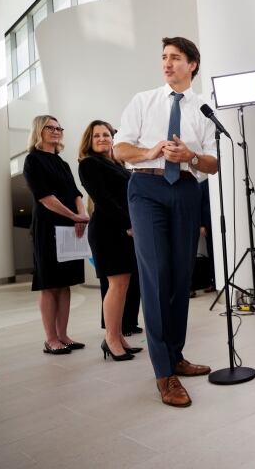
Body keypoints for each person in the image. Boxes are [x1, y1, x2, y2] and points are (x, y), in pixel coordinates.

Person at [113, 36, 216, 408]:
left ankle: (176, 354)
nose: (167, 64)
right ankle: (164, 373)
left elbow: (214, 163)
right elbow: (119, 148)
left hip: (187, 190)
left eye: (175, 58)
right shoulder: (143, 101)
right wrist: (150, 150)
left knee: (180, 276)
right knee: (155, 275)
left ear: (193, 64)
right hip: (146, 189)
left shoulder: (205, 106)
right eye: (163, 58)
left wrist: (191, 155)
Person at [78, 120, 143, 362]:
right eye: (97, 135)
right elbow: (103, 199)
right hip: (108, 230)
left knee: (123, 285)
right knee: (116, 285)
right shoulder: (88, 164)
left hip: (123, 229)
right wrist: (129, 223)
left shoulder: (116, 163)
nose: (103, 138)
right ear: (89, 140)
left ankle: (118, 336)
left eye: (106, 134)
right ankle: (112, 339)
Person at [23, 115, 88, 355]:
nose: (55, 131)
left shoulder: (62, 163)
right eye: (50, 127)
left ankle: (64, 335)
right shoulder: (33, 160)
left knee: (66, 283)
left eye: (58, 128)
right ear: (39, 130)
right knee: (50, 284)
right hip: (47, 228)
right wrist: (74, 216)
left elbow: (75, 192)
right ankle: (50, 339)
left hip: (70, 228)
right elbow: (45, 197)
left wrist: (81, 215)